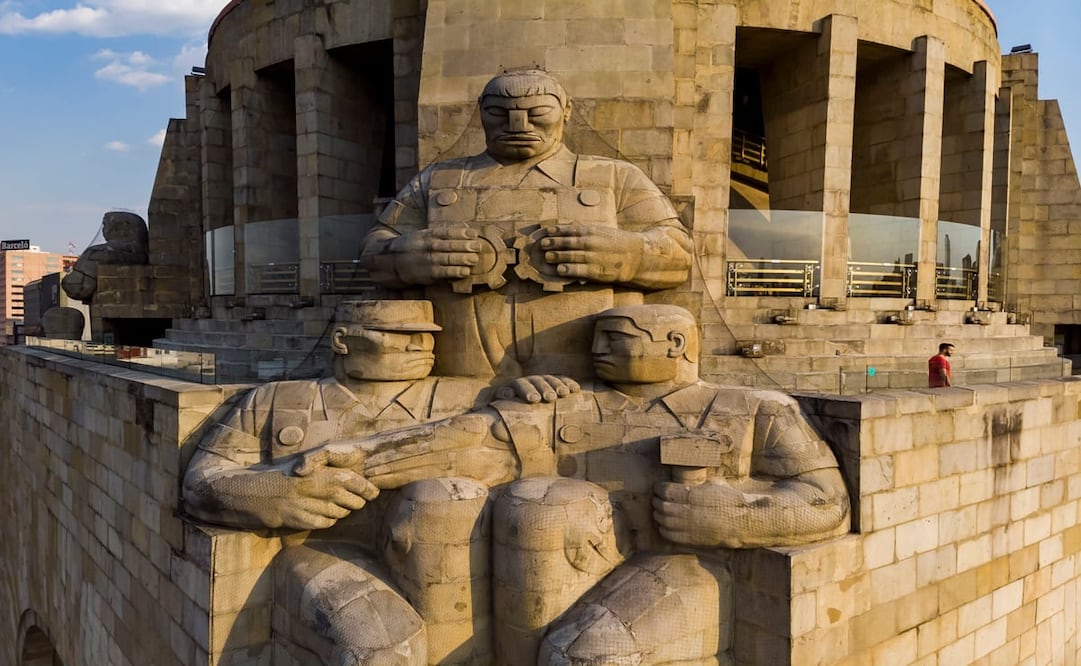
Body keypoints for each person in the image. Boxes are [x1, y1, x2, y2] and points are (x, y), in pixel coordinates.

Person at [298, 304, 851, 664]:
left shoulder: (752, 408)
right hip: (571, 565)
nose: (598, 349)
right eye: (599, 338)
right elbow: (469, 441)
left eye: (620, 337)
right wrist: (358, 455)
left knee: (588, 655)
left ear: (678, 344)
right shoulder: (571, 403)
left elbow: (825, 500)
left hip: (691, 565)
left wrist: (736, 518)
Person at [181, 299, 575, 664]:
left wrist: (532, 393)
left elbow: (523, 437)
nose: (420, 346)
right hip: (326, 550)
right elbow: (201, 482)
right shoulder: (277, 400)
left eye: (426, 337)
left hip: (450, 565)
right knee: (378, 649)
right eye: (401, 336)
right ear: (342, 340)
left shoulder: (468, 395)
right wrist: (275, 493)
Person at [359, 68, 693, 381]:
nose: (518, 124)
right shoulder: (439, 180)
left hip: (587, 375)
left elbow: (678, 253)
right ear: (480, 112)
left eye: (537, 113)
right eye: (498, 113)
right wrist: (409, 255)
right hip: (461, 373)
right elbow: (375, 248)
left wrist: (627, 254)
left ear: (566, 111)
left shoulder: (615, 177)